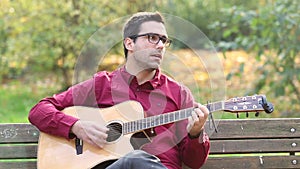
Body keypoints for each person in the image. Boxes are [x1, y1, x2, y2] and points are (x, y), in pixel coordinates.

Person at [29, 11, 210, 169]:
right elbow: (39, 110)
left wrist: (195, 134)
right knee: (134, 160)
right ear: (129, 44)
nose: (161, 45)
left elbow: (194, 163)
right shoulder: (102, 84)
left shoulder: (179, 94)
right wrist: (77, 127)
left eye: (164, 40)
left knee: (138, 160)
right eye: (152, 38)